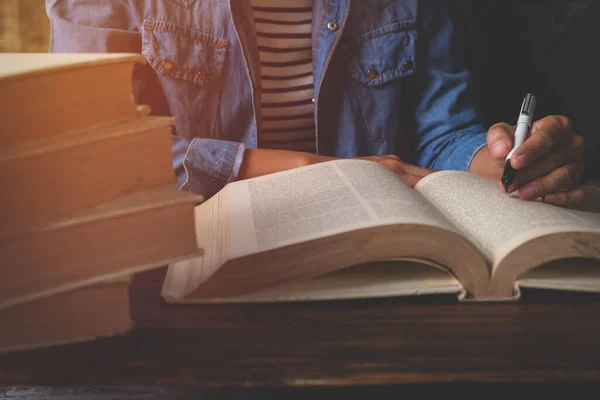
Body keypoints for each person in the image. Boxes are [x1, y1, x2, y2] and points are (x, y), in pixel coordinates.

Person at [46, 0, 585, 206]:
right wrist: (320, 172)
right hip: (179, 272)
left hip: (372, 269)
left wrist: (499, 161)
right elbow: (92, 150)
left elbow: (439, 131)